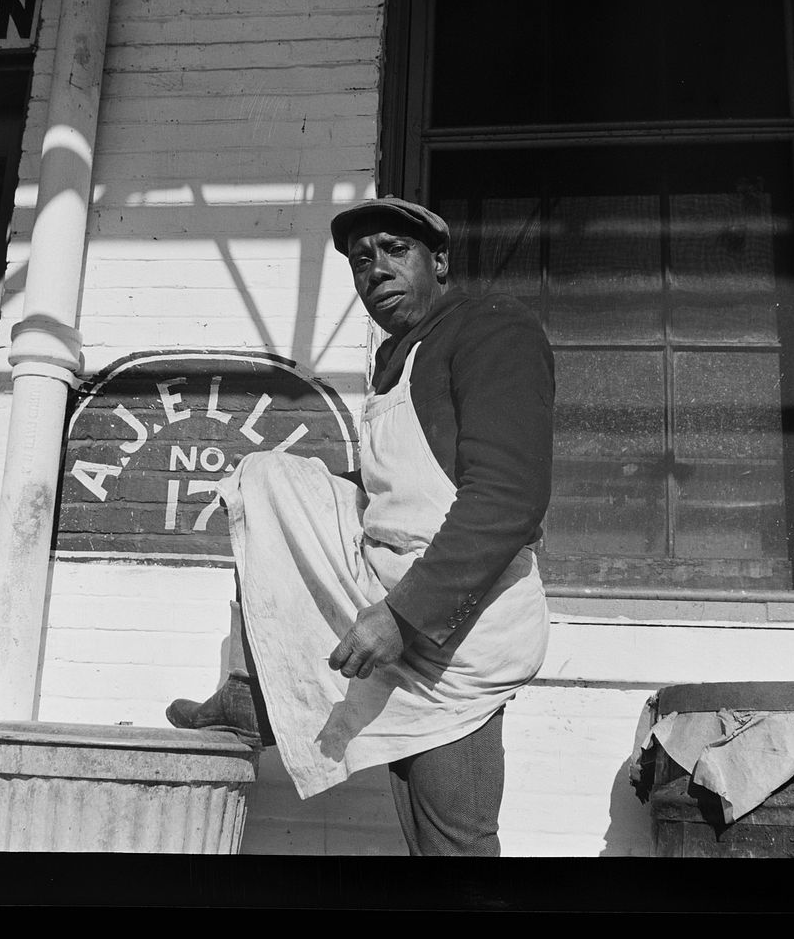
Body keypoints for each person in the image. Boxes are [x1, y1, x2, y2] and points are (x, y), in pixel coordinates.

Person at [168, 198, 554, 856]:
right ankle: (250, 688)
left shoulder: (491, 330)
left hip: (460, 621)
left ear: (439, 261)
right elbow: (401, 488)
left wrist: (404, 618)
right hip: (390, 588)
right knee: (265, 481)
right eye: (360, 260)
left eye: (394, 251)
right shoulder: (399, 358)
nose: (374, 269)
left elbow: (509, 499)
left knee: (454, 844)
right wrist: (325, 495)